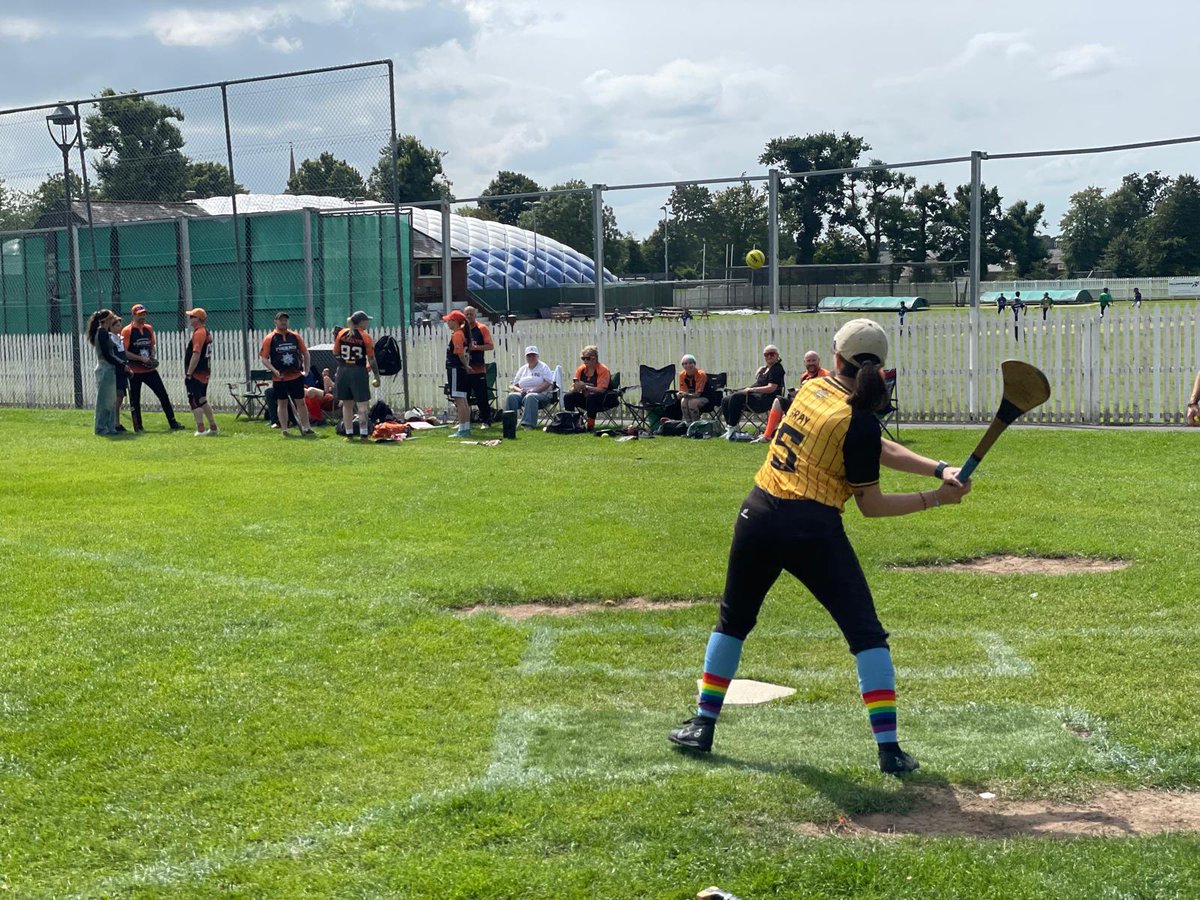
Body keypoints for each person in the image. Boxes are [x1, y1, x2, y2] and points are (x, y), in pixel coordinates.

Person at [667, 318, 971, 775]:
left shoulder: (812, 389)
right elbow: (872, 504)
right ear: (880, 366)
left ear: (836, 356)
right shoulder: (860, 420)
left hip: (759, 513)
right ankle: (889, 750)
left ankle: (703, 725)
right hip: (812, 528)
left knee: (733, 620)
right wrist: (936, 498)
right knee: (866, 634)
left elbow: (874, 447)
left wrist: (937, 468)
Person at [122, 304, 184, 431]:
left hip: (149, 370)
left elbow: (152, 346)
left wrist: (152, 357)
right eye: (139, 315)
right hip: (135, 370)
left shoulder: (148, 329)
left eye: (144, 314)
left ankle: (173, 422)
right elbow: (125, 352)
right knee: (135, 399)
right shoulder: (127, 331)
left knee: (163, 394)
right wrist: (140, 358)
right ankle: (138, 426)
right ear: (133, 315)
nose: (142, 317)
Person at [754, 351, 829, 443]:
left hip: (817, 407)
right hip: (802, 405)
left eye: (814, 360)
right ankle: (767, 435)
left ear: (819, 361)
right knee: (778, 401)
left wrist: (807, 389)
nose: (811, 363)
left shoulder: (825, 375)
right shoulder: (804, 376)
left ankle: (776, 431)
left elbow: (825, 395)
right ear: (804, 362)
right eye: (808, 361)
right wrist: (798, 392)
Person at [260, 312, 313, 437]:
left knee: (300, 402)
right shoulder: (270, 338)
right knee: (282, 403)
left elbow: (305, 353)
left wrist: (306, 370)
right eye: (281, 320)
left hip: (296, 375)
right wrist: (274, 370)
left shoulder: (295, 336)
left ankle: (307, 427)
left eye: (285, 320)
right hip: (280, 378)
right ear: (275, 322)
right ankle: (284, 429)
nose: (283, 322)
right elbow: (264, 358)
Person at [334, 310, 381, 439]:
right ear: (361, 322)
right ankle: (364, 433)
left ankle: (348, 433)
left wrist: (343, 363)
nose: (367, 323)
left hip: (343, 370)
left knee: (347, 404)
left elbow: (335, 353)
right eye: (366, 321)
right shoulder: (365, 336)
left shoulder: (342, 333)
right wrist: (377, 376)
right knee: (362, 404)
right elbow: (371, 359)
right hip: (358, 371)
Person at [721, 345, 784, 440]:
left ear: (777, 355)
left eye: (771, 354)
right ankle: (731, 427)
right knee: (725, 400)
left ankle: (733, 429)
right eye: (766, 354)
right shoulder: (767, 368)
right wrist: (763, 369)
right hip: (756, 396)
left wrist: (752, 390)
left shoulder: (777, 369)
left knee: (736, 397)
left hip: (765, 400)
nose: (769, 356)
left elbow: (771, 388)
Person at [86, 309, 123, 436]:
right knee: (104, 401)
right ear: (106, 320)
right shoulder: (102, 333)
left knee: (111, 400)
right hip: (105, 369)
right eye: (111, 318)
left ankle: (110, 427)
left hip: (109, 369)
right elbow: (107, 355)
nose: (113, 319)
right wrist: (121, 364)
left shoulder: (105, 333)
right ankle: (101, 427)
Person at [184, 307, 218, 436]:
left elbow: (196, 354)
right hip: (205, 371)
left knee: (194, 399)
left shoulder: (199, 333)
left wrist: (189, 373)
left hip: (197, 372)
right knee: (202, 399)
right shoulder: (205, 332)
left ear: (198, 319)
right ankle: (213, 427)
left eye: (192, 317)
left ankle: (201, 429)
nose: (190, 319)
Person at [563, 345, 614, 431]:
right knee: (568, 396)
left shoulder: (603, 370)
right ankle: (571, 423)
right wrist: (576, 387)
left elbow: (602, 389)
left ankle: (590, 426)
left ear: (594, 359)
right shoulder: (581, 369)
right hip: (586, 398)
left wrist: (586, 387)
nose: (585, 361)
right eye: (583, 358)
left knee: (591, 397)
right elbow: (573, 387)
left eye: (587, 358)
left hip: (603, 400)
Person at [505, 345, 555, 428]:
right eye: (529, 355)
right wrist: (520, 391)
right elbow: (514, 385)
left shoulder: (543, 367)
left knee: (530, 396)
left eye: (533, 355)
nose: (531, 357)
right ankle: (509, 424)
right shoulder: (522, 369)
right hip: (523, 394)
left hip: (542, 395)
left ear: (537, 356)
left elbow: (548, 383)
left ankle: (528, 424)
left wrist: (534, 390)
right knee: (511, 396)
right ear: (526, 357)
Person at [463, 306, 495, 428]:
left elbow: (490, 346)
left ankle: (486, 421)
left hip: (478, 369)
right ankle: (464, 421)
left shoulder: (482, 328)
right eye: (467, 314)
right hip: (464, 369)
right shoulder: (461, 329)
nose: (469, 316)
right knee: (463, 397)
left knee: (481, 396)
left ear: (475, 315)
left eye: (471, 314)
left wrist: (475, 347)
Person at [443, 309, 473, 438]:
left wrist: (465, 366)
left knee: (459, 399)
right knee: (463, 399)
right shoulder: (461, 334)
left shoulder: (457, 335)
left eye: (449, 320)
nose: (447, 323)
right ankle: (466, 427)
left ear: (454, 321)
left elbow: (460, 354)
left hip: (456, 369)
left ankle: (462, 429)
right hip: (460, 369)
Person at [676, 355, 713, 424]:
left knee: (692, 402)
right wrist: (680, 394)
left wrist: (685, 394)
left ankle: (695, 424)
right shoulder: (682, 375)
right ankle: (687, 423)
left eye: (690, 363)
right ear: (682, 366)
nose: (688, 366)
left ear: (694, 364)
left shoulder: (701, 374)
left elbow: (698, 394)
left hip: (705, 397)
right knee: (683, 401)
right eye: (685, 364)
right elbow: (684, 391)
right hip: (691, 396)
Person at [109, 316, 129, 432]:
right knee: (117, 397)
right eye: (117, 325)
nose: (120, 327)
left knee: (120, 397)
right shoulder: (110, 339)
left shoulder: (119, 339)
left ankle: (117, 422)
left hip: (122, 371)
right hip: (115, 372)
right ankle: (114, 422)